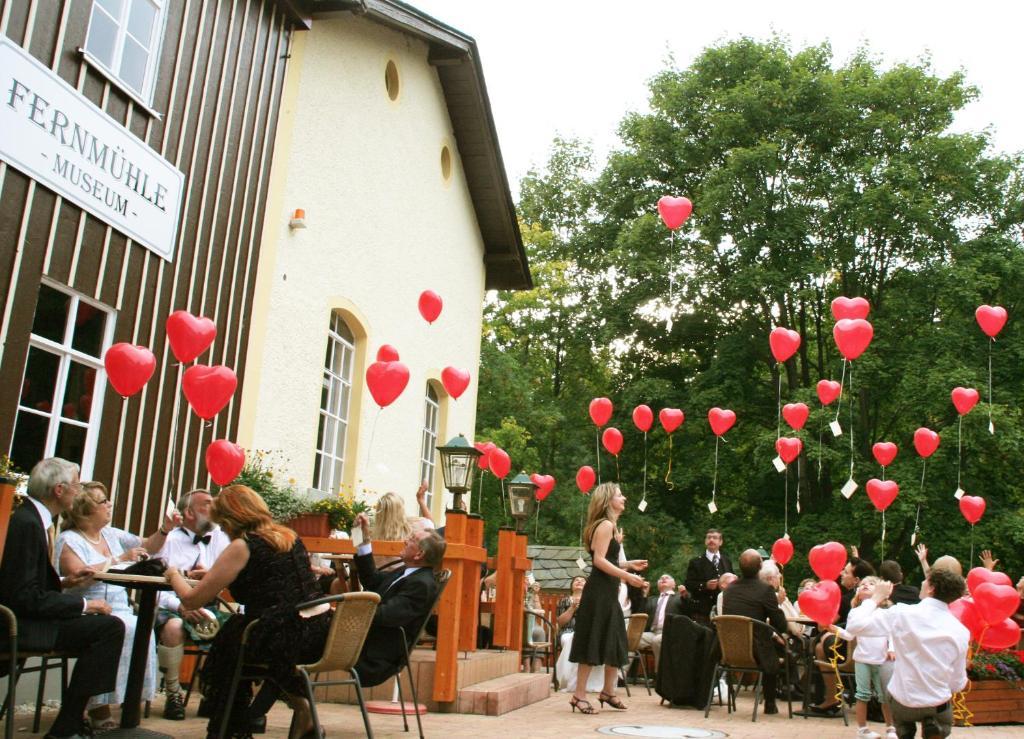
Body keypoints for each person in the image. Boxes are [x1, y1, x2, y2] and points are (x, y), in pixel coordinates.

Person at [165, 485, 331, 739]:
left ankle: (234, 728)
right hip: (317, 632)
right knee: (237, 638)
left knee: (230, 644)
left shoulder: (243, 546)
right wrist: (214, 574)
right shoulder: (289, 537)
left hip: (280, 637)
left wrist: (173, 574)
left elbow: (191, 601)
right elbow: (272, 579)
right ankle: (296, 706)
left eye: (221, 523)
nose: (221, 529)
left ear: (229, 519)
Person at [0, 458, 125, 739]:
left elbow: (26, 585)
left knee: (109, 625)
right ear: (59, 490)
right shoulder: (29, 524)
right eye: (76, 486)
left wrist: (66, 582)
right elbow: (23, 597)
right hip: (20, 625)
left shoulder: (32, 519)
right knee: (109, 628)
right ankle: (68, 726)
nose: (79, 492)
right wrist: (83, 604)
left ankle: (74, 721)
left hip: (28, 618)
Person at [55, 482, 172, 730]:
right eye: (103, 501)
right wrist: (118, 559)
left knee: (140, 628)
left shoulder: (111, 534)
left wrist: (164, 529)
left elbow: (146, 546)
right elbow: (77, 573)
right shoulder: (69, 540)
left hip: (120, 607)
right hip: (87, 608)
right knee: (125, 629)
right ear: (86, 510)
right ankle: (100, 709)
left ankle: (129, 707)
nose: (109, 505)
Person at [846, 569, 969, 739]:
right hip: (937, 702)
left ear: (931, 588)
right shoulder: (960, 630)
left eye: (925, 580)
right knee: (944, 720)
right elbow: (957, 683)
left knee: (892, 684)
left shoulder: (902, 613)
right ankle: (935, 726)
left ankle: (905, 730)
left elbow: (854, 626)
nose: (921, 583)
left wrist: (875, 598)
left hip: (904, 701)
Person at [568, 483, 647, 715]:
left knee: (615, 640)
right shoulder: (604, 525)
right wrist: (628, 576)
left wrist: (628, 564)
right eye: (619, 495)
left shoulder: (609, 526)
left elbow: (608, 560)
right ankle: (579, 696)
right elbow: (599, 562)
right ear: (608, 500)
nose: (624, 498)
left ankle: (608, 692)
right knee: (593, 639)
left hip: (608, 591)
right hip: (599, 593)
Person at [155, 488, 232, 720]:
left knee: (237, 628)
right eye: (207, 504)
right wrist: (180, 606)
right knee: (174, 627)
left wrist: (213, 575)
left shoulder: (221, 537)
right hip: (171, 607)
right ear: (188, 512)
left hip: (209, 606)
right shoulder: (168, 540)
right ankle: (173, 693)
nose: (214, 509)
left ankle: (214, 693)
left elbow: (234, 573)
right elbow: (154, 589)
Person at [351, 510, 445, 687]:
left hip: (375, 658)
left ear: (419, 555)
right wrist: (359, 536)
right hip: (364, 645)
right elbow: (371, 580)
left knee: (301, 645)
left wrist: (343, 612)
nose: (405, 540)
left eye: (411, 540)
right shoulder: (406, 572)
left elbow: (385, 615)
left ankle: (300, 700)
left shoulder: (421, 585)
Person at [721, 549, 788, 715]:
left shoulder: (729, 590)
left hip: (728, 650)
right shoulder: (765, 590)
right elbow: (780, 624)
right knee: (781, 653)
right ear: (760, 567)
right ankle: (770, 704)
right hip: (756, 651)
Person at [829, 576, 898, 739]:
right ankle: (863, 730)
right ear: (858, 593)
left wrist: (891, 648)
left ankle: (891, 728)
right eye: (862, 584)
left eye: (871, 583)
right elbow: (850, 634)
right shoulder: (856, 612)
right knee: (862, 695)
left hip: (881, 659)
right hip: (862, 659)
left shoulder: (885, 612)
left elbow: (892, 633)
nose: (866, 585)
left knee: (885, 697)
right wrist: (837, 631)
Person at [556, 575, 603, 691]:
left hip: (587, 633)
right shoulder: (564, 601)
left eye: (582, 581)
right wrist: (572, 608)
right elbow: (561, 622)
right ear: (571, 586)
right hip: (568, 631)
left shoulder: (592, 600)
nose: (579, 582)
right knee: (569, 639)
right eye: (576, 580)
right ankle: (568, 678)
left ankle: (588, 682)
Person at [684, 528, 733, 624]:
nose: (711, 540)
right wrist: (705, 585)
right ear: (705, 541)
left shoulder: (727, 561)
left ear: (720, 542)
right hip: (703, 611)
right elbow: (688, 584)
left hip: (724, 608)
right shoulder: (695, 562)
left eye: (714, 538)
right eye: (709, 537)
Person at [638, 573, 685, 671]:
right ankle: (621, 675)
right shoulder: (651, 599)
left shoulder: (679, 598)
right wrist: (644, 594)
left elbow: (689, 609)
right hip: (651, 633)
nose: (663, 578)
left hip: (671, 633)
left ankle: (659, 676)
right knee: (630, 639)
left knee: (657, 641)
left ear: (674, 584)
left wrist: (685, 595)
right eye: (660, 578)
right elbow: (640, 612)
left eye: (667, 578)